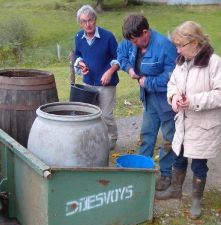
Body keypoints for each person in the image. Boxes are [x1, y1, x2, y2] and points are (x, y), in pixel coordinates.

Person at [155, 21, 221, 219]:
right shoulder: (182, 62)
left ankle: (196, 200)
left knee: (198, 164)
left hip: (203, 125)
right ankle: (175, 190)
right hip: (183, 122)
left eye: (181, 45)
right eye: (177, 46)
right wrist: (174, 98)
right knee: (178, 156)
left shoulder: (215, 63)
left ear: (195, 42)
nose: (178, 50)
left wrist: (193, 101)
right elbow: (172, 84)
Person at [117, 14, 177, 191]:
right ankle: (143, 171)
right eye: (131, 41)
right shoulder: (131, 39)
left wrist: (148, 82)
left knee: (168, 140)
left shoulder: (165, 46)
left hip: (166, 100)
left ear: (145, 32)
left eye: (135, 41)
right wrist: (129, 68)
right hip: (150, 99)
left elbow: (173, 77)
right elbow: (120, 52)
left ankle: (166, 175)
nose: (132, 44)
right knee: (147, 135)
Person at [73, 5, 119, 150]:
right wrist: (80, 64)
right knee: (90, 115)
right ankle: (95, 140)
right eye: (84, 21)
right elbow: (77, 55)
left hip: (107, 84)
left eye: (90, 20)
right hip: (88, 84)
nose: (88, 24)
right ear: (80, 23)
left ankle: (111, 140)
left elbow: (118, 59)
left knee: (106, 115)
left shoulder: (108, 36)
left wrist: (109, 72)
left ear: (95, 20)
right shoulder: (78, 37)